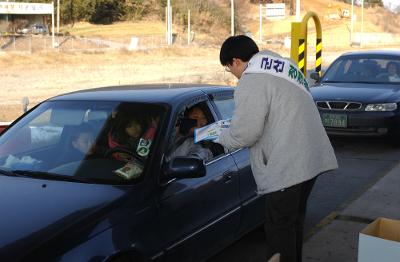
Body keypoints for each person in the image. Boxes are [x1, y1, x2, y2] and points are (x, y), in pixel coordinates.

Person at [216, 35, 338, 262]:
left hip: (287, 167)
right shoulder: (286, 66)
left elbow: (246, 134)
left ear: (236, 61)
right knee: (293, 223)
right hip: (311, 159)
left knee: (278, 229)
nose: (232, 73)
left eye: (228, 68)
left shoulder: (252, 79)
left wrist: (221, 137)